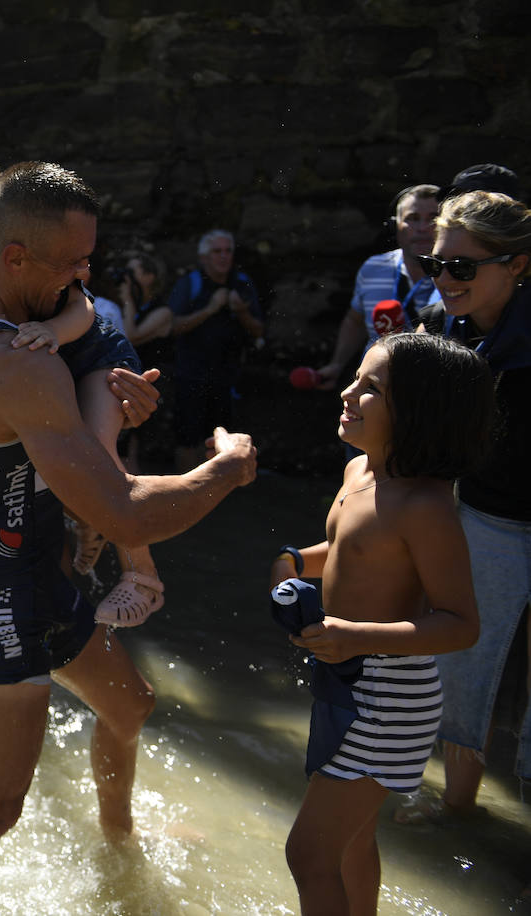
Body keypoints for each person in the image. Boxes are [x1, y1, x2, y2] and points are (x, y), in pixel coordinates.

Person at [0, 161, 258, 914]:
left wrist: (114, 400)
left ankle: (118, 844)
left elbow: (72, 415)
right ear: (15, 257)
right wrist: (224, 471)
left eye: (90, 258)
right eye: (72, 264)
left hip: (37, 565)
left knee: (131, 707)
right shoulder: (8, 362)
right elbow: (122, 508)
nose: (86, 278)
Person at [268, 332, 493, 916]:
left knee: (308, 855)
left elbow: (461, 624)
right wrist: (295, 562)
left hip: (387, 697)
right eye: (355, 379)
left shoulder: (426, 506)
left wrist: (352, 636)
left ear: (418, 412)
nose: (348, 391)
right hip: (346, 681)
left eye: (372, 388)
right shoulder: (358, 474)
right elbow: (348, 548)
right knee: (350, 843)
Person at [0, 152, 168, 627]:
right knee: (67, 465)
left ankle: (142, 578)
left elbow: (84, 312)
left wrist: (54, 334)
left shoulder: (35, 260)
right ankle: (86, 522)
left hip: (98, 359)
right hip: (63, 373)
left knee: (99, 454)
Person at [392, 190, 531, 828]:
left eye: (463, 268)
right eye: (436, 265)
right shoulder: (448, 326)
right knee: (462, 666)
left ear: (518, 265)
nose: (444, 279)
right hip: (484, 516)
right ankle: (456, 811)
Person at [314, 185, 442, 389]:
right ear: (395, 226)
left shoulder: (455, 274)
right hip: (374, 390)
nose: (423, 227)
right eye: (413, 218)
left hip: (432, 389)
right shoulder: (373, 268)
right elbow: (355, 321)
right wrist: (337, 364)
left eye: (433, 218)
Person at [167, 229, 266, 472]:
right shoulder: (190, 283)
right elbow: (172, 327)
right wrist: (210, 309)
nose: (223, 257)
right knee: (188, 437)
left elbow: (259, 330)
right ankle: (184, 492)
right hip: (191, 374)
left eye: (228, 251)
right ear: (204, 257)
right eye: (216, 251)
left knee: (222, 436)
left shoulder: (241, 284)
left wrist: (241, 312)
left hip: (226, 376)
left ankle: (214, 494)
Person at [116, 252, 173, 472]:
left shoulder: (163, 311)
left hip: (156, 383)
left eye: (133, 272)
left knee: (140, 444)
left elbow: (132, 334)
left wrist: (127, 298)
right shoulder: (133, 309)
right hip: (135, 379)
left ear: (150, 277)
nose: (127, 277)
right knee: (126, 441)